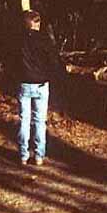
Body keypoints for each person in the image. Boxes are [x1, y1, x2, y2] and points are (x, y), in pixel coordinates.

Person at [10, 9, 67, 166]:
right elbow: (54, 62)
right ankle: (39, 155)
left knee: (24, 120)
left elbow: (12, 63)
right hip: (41, 84)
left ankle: (23, 155)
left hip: (24, 83)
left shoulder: (18, 40)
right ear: (38, 23)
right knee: (40, 121)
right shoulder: (45, 40)